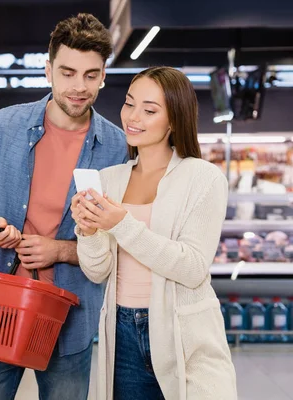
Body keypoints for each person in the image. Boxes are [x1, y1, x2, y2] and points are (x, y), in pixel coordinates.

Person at [0, 13, 128, 400]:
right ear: (48, 70)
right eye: (68, 73)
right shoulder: (1, 127)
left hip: (70, 318)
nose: (79, 87)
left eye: (91, 75)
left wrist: (62, 251)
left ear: (103, 75)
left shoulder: (118, 148)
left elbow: (120, 235)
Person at [71, 66, 237, 400]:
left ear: (174, 119)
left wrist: (120, 223)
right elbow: (97, 271)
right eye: (129, 103)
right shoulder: (109, 179)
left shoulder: (203, 178)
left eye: (149, 110)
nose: (133, 117)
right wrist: (88, 232)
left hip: (185, 332)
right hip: (121, 334)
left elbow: (191, 268)